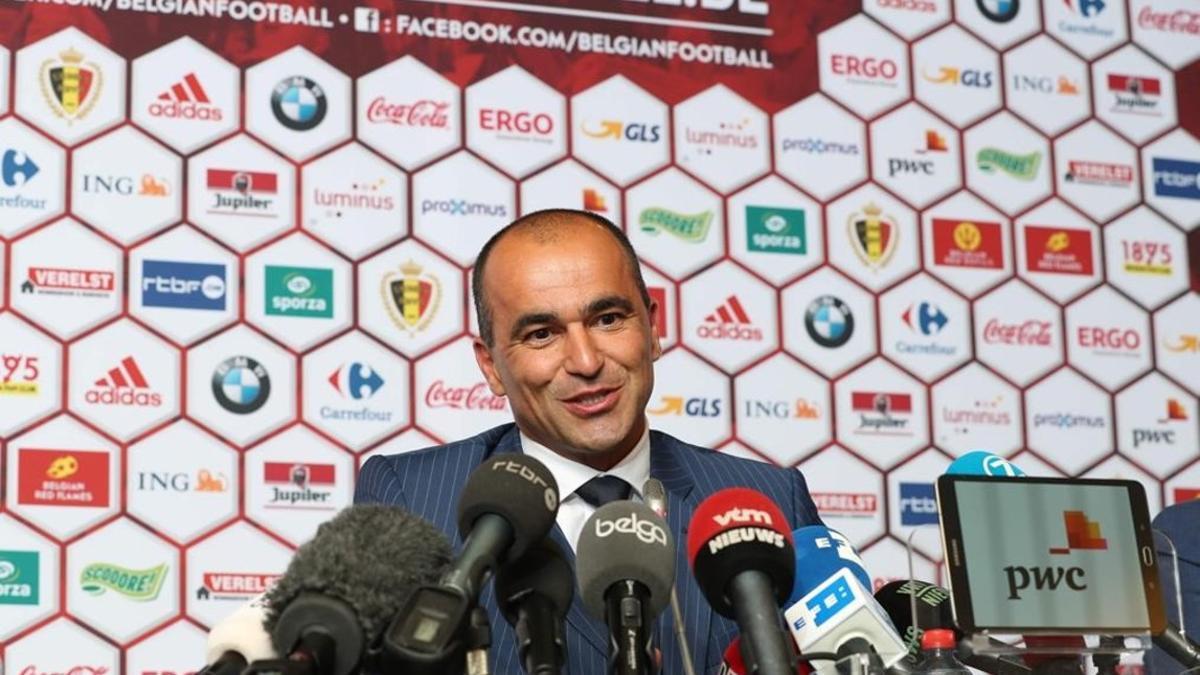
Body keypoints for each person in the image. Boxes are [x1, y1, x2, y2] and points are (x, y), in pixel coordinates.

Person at [355, 209, 823, 675]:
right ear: (492, 367)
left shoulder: (769, 499)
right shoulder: (409, 497)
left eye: (607, 319)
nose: (585, 361)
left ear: (652, 330)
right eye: (542, 334)